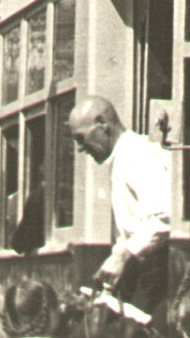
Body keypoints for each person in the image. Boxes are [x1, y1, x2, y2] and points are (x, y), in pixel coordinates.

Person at [66, 96, 170, 312]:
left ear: (102, 124)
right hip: (142, 271)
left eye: (80, 138)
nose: (80, 148)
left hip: (158, 275)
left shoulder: (138, 153)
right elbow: (135, 228)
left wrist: (122, 256)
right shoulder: (122, 157)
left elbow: (163, 217)